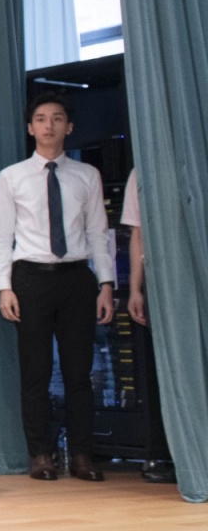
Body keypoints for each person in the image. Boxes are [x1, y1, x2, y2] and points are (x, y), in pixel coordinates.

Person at [0, 93, 114, 482]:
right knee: (36, 371)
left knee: (79, 372)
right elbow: (2, 236)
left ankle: (82, 454)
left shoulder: (87, 175)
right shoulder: (12, 176)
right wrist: (4, 287)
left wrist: (106, 283)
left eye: (57, 118)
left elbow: (98, 233)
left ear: (69, 127)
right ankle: (40, 454)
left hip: (76, 277)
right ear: (30, 128)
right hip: (30, 278)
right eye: (41, 119)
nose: (49, 125)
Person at [120, 167, 176, 483]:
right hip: (161, 279)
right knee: (158, 370)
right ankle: (161, 454)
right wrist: (135, 288)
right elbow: (137, 233)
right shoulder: (141, 171)